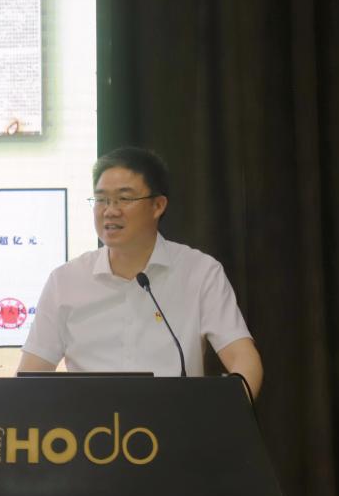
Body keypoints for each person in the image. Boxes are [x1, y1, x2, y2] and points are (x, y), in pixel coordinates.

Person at [18, 146, 264, 398]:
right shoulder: (65, 281)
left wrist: (231, 411)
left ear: (158, 205)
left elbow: (242, 356)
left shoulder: (199, 272)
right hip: (89, 421)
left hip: (176, 418)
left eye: (124, 199)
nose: (110, 210)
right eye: (101, 199)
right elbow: (30, 376)